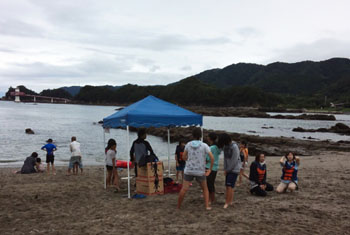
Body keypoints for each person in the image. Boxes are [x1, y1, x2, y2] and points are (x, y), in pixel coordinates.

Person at [177, 127, 214, 210]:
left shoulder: (188, 144)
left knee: (184, 189)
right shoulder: (204, 145)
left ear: (192, 135)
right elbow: (212, 158)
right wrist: (210, 169)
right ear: (200, 135)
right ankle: (207, 206)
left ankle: (178, 206)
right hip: (200, 171)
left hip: (189, 170)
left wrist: (189, 160)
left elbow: (183, 157)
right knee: (205, 189)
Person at [218, 133, 241, 209]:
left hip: (234, 169)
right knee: (229, 186)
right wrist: (225, 168)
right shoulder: (225, 147)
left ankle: (227, 202)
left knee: (229, 186)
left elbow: (234, 160)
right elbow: (225, 158)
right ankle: (230, 201)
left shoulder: (234, 147)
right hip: (228, 169)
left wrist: (228, 170)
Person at [206, 132, 221, 204]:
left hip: (209, 167)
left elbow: (207, 158)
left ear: (210, 138)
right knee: (211, 183)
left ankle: (210, 199)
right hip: (215, 167)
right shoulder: (217, 147)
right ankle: (212, 198)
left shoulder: (211, 148)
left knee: (209, 184)